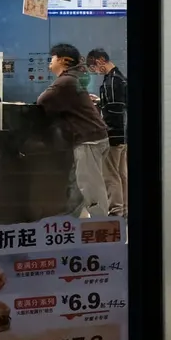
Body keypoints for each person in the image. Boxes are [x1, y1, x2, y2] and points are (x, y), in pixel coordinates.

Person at [37, 43, 109, 217]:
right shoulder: (76, 78)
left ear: (62, 60)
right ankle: (73, 222)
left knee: (91, 187)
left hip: (88, 140)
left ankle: (102, 227)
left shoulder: (65, 81)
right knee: (79, 186)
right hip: (94, 137)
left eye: (52, 59)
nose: (49, 63)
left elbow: (42, 101)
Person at [87, 48, 128, 217]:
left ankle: (116, 211)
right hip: (123, 134)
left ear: (101, 60)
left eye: (94, 67)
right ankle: (124, 208)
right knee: (121, 174)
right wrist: (100, 100)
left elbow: (114, 111)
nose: (95, 71)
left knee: (111, 176)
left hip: (114, 134)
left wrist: (106, 130)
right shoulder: (119, 78)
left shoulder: (111, 81)